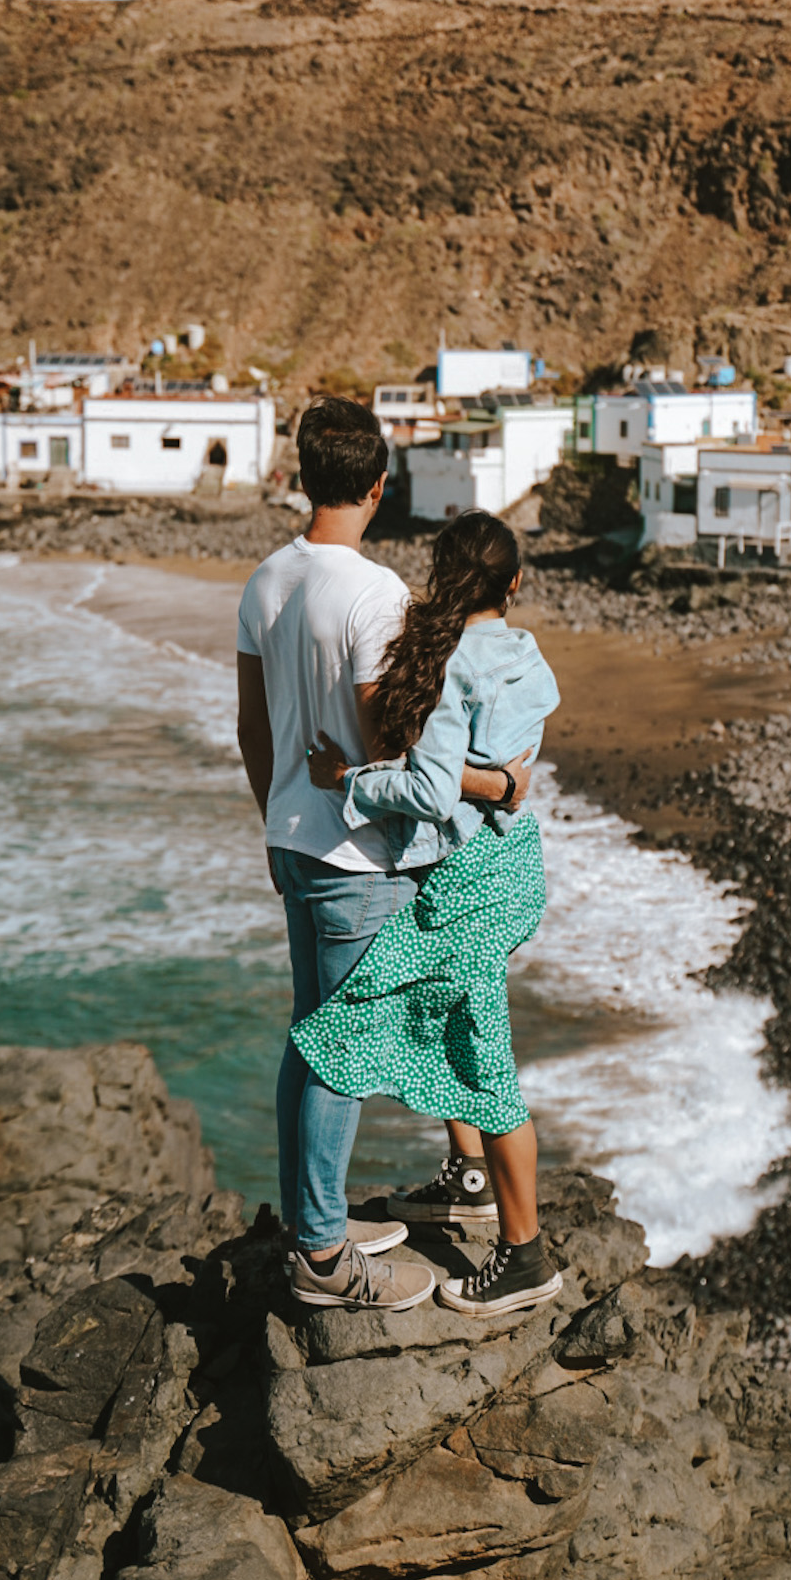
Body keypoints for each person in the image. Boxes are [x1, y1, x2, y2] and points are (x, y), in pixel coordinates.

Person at [236, 399, 532, 1312]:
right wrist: (499, 788)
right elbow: (398, 746)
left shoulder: (264, 580)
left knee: (312, 1037)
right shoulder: (373, 595)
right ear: (377, 485)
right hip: (359, 856)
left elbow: (252, 727)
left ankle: (310, 1219)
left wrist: (280, 818)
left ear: (300, 476)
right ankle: (323, 1255)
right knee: (346, 1053)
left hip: (293, 838)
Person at [297, 509, 564, 1318]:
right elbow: (503, 774)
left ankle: (524, 1257)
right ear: (514, 583)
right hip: (515, 865)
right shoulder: (529, 656)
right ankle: (471, 1176)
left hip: (473, 878)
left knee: (471, 1051)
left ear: (444, 581)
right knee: (449, 1015)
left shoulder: (454, 666)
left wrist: (344, 778)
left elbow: (423, 788)